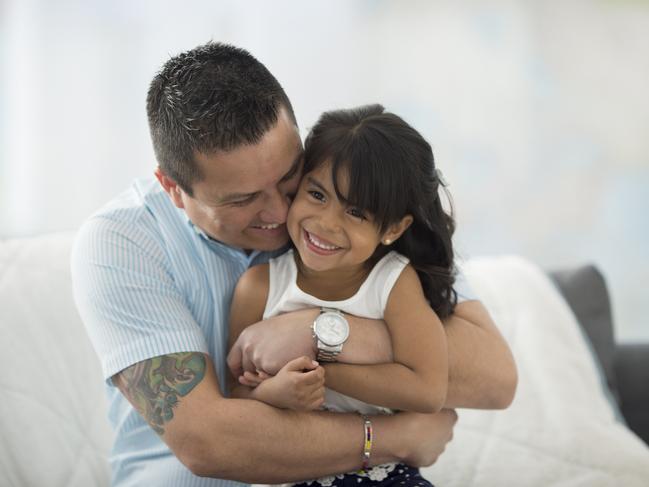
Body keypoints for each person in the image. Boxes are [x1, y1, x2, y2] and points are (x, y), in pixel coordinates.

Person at [71, 42, 517, 487]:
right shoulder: (122, 242)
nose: (280, 214)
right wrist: (392, 436)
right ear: (172, 187)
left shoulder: (344, 200)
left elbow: (494, 378)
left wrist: (317, 332)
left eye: (290, 177)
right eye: (243, 199)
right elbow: (209, 443)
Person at [227, 104, 470, 486]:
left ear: (392, 228)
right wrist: (277, 392)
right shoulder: (259, 287)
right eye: (317, 194)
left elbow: (427, 390)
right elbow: (236, 401)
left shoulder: (392, 282)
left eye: (356, 211)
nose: (326, 223)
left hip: (382, 473)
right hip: (290, 474)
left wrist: (322, 372)